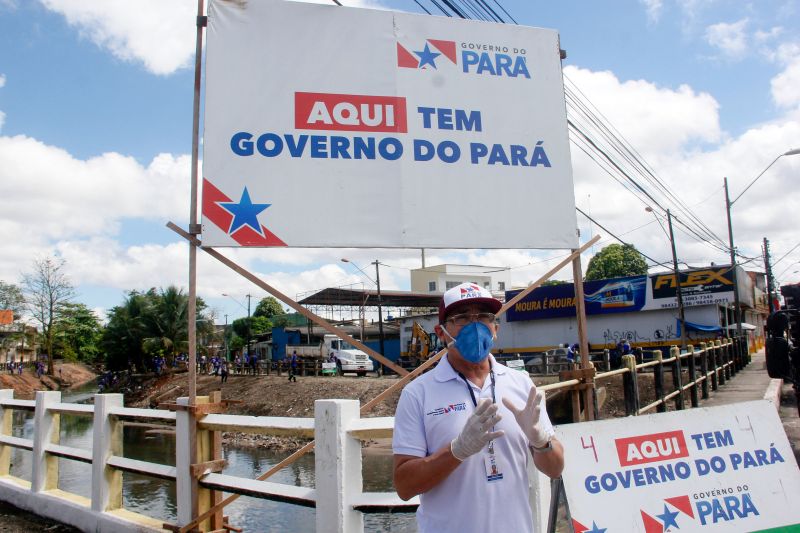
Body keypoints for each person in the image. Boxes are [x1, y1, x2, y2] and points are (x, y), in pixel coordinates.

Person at [393, 283, 564, 533]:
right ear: (441, 332)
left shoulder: (520, 383)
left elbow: (555, 468)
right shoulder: (418, 394)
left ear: (495, 328)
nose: (475, 325)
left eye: (484, 316)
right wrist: (457, 451)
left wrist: (541, 442)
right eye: (462, 318)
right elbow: (404, 486)